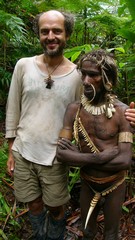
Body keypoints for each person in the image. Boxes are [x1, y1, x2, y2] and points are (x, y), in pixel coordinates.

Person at [5, 10, 135, 240]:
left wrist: (128, 116)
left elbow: (93, 107)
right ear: (38, 34)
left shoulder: (78, 75)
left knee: (56, 207)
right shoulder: (23, 65)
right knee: (33, 204)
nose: (51, 36)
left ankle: (54, 235)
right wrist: (11, 147)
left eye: (57, 30)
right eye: (45, 31)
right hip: (24, 149)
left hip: (54, 158)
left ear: (67, 35)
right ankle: (41, 235)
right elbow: (13, 107)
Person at [57, 49, 134, 240]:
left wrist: (78, 157)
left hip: (115, 184)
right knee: (87, 231)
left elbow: (124, 161)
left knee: (111, 235)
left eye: (93, 75)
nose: (85, 80)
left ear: (108, 78)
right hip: (87, 184)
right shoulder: (74, 110)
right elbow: (61, 154)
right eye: (83, 73)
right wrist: (97, 157)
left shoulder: (122, 112)